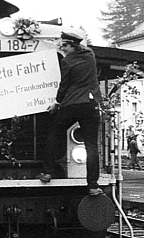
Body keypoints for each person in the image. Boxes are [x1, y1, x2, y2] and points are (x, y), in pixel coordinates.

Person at [39, 27, 103, 194]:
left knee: (55, 133)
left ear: (73, 45)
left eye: (65, 46)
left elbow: (64, 85)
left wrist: (56, 103)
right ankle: (93, 185)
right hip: (90, 105)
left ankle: (47, 172)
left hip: (72, 105)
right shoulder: (90, 57)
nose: (63, 49)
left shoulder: (67, 61)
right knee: (92, 146)